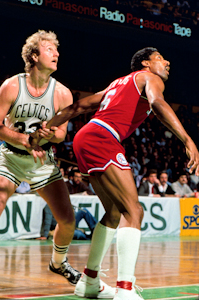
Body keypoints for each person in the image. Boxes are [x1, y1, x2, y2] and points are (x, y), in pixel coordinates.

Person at [31, 47, 199, 299]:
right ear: (145, 63)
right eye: (160, 58)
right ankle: (125, 289)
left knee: (112, 213)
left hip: (86, 135)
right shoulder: (147, 78)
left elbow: (77, 108)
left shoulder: (116, 84)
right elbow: (157, 102)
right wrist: (187, 139)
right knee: (134, 211)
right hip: (103, 137)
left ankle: (89, 281)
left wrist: (43, 130)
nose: (167, 61)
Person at [0, 30, 81, 298]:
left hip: (43, 162)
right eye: (50, 49)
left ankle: (58, 263)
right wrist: (24, 140)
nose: (57, 53)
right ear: (34, 55)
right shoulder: (12, 86)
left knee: (68, 221)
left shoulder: (62, 93)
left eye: (57, 50)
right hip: (12, 158)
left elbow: (62, 134)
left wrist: (51, 135)